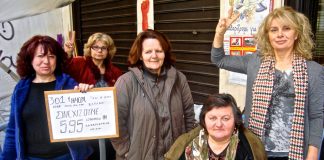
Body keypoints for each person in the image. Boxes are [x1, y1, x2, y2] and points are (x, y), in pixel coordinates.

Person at [211, 6, 324, 159]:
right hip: (256, 149)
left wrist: (312, 153)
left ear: (296, 33)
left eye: (286, 28)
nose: (280, 34)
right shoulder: (255, 62)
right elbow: (219, 60)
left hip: (293, 153)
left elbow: (316, 116)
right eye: (273, 30)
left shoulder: (314, 71)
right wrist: (220, 33)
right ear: (268, 35)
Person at [0, 35, 94, 160]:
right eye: (40, 56)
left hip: (65, 156)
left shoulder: (69, 85)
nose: (46, 61)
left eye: (51, 56)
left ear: (57, 59)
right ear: (30, 59)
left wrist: (86, 94)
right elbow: (13, 129)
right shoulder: (21, 89)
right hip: (31, 157)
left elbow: (88, 122)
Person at [111, 29, 196, 160]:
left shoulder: (179, 79)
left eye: (159, 51)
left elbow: (189, 114)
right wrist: (126, 150)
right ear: (140, 55)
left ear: (165, 53)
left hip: (174, 155)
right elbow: (115, 121)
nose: (154, 56)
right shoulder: (126, 82)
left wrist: (187, 144)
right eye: (148, 51)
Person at [64, 32, 122, 159]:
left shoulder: (115, 71)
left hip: (107, 124)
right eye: (95, 47)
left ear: (109, 51)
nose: (99, 51)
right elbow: (62, 69)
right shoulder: (79, 63)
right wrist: (67, 53)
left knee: (109, 154)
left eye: (103, 48)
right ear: (89, 48)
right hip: (85, 123)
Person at [165, 93, 267, 160]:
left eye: (225, 118)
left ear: (236, 120)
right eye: (212, 118)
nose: (218, 124)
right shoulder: (185, 144)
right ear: (204, 120)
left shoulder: (251, 148)